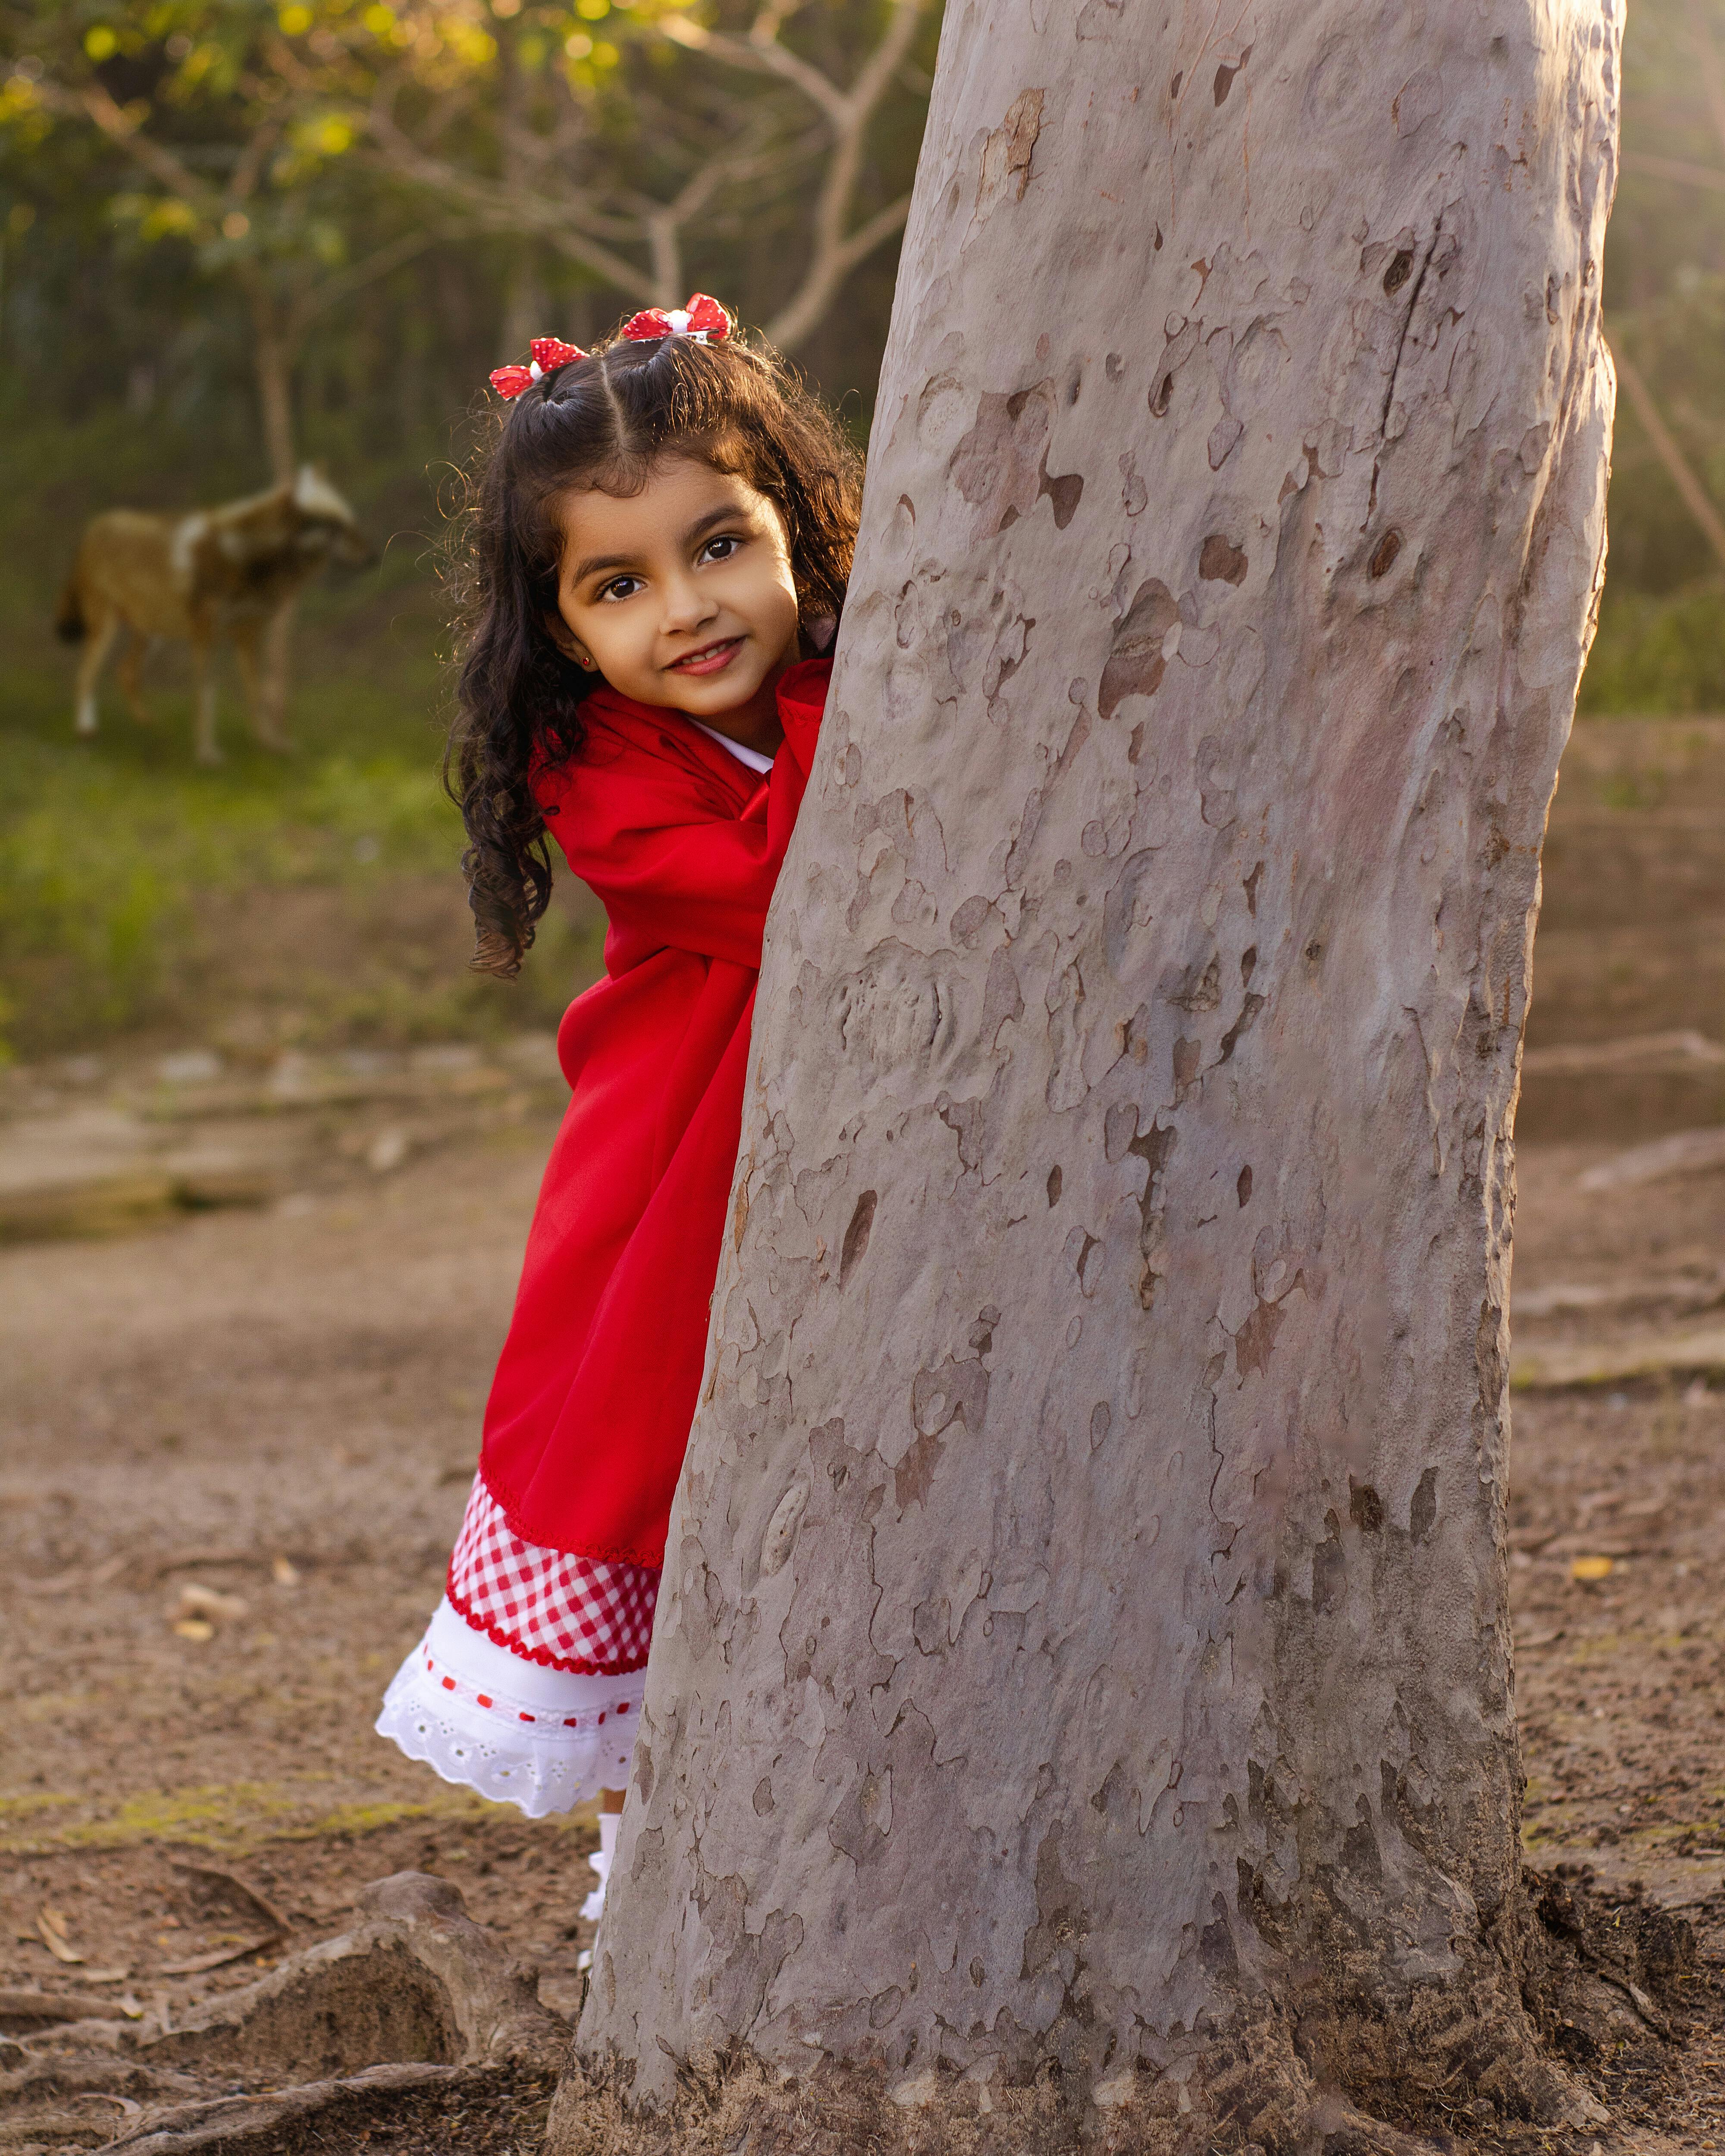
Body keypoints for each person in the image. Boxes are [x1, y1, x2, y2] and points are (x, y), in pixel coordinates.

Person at [375, 296, 861, 1918]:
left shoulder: (878, 677)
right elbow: (782, 886)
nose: (689, 610)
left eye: (720, 546)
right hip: (671, 1175)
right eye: (620, 585)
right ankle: (655, 1884)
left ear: (793, 524)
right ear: (565, 632)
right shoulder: (600, 766)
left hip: (830, 1141)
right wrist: (826, 715)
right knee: (665, 1468)